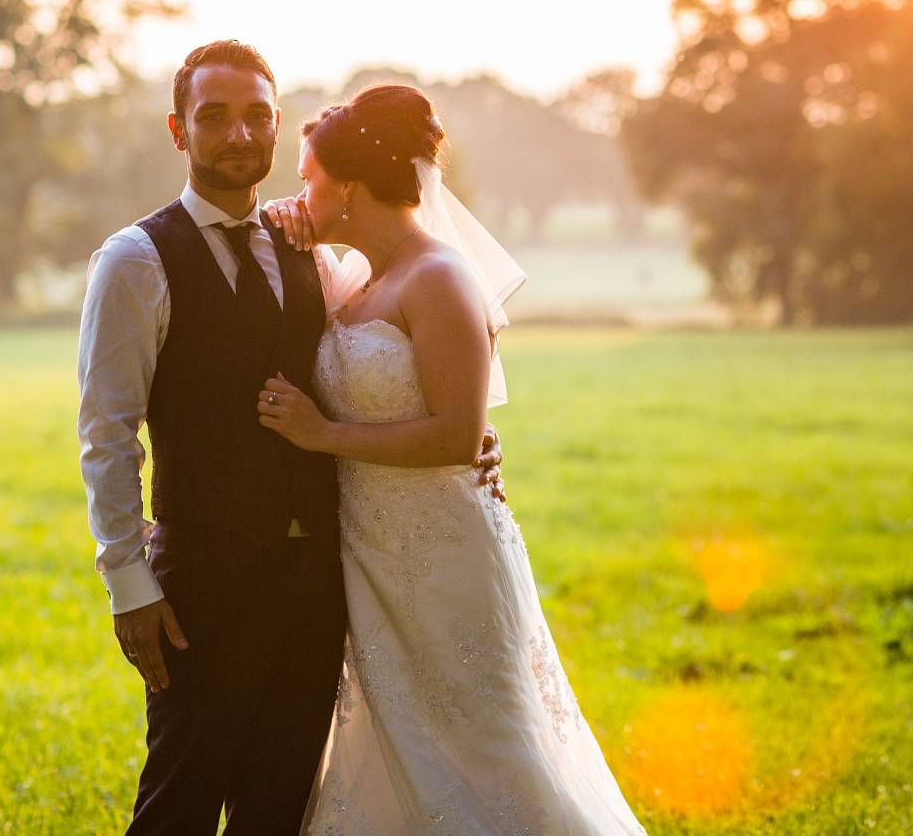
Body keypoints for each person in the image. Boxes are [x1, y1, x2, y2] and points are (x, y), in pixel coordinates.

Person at [75, 42, 505, 835]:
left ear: (276, 130)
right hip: (200, 580)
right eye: (215, 117)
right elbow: (106, 434)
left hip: (318, 581)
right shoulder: (136, 259)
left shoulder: (312, 253)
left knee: (281, 806)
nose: (239, 134)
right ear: (179, 130)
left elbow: (402, 348)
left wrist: (468, 437)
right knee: (181, 796)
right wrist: (127, 580)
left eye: (256, 117)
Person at [257, 84, 648, 833]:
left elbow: (458, 436)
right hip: (370, 552)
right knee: (394, 743)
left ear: (347, 186)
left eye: (306, 177)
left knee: (483, 746)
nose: (297, 191)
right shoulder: (356, 280)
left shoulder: (439, 278)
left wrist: (322, 434)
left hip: (445, 552)